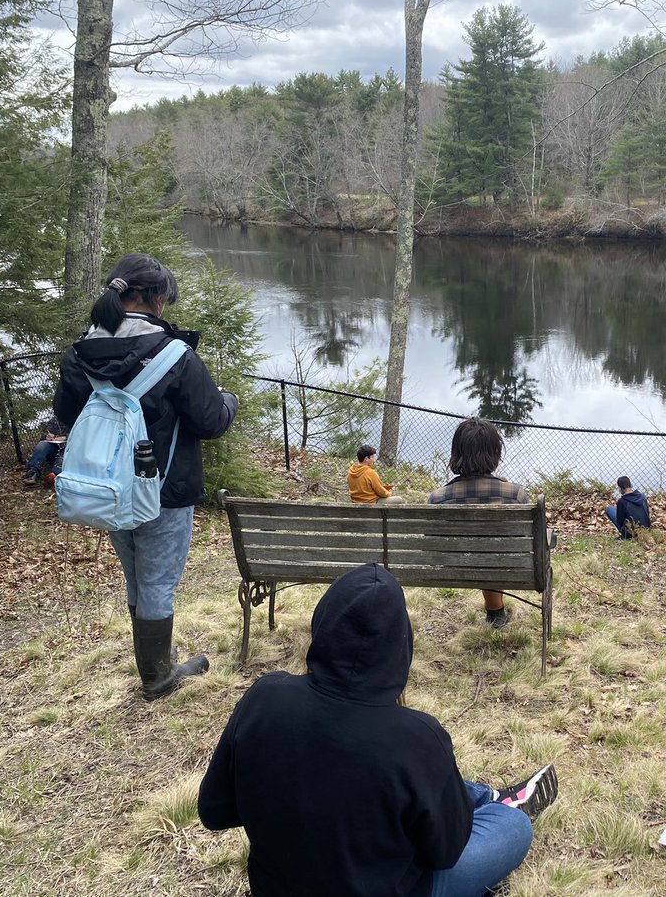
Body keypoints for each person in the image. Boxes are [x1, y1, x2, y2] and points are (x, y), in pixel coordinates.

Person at [198, 563, 559, 897]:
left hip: (277, 886)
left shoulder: (264, 697)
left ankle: (483, 796)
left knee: (404, 781)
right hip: (396, 887)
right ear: (402, 644)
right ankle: (499, 804)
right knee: (512, 827)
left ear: (321, 624)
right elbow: (446, 853)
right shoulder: (417, 737)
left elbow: (215, 811)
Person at [53, 253, 239, 700]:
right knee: (157, 582)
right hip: (164, 488)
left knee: (137, 577)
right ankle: (157, 675)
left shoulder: (81, 351)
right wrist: (228, 399)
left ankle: (155, 658)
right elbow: (210, 421)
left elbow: (65, 414)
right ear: (157, 298)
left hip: (108, 488)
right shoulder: (174, 355)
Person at [428, 418, 530, 628]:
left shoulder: (438, 498)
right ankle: (496, 613)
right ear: (495, 452)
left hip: (451, 568)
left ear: (457, 452)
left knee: (485, 554)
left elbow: (433, 541)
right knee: (492, 554)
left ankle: (496, 612)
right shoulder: (515, 495)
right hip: (508, 567)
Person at [22, 415, 68, 487]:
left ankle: (55, 475)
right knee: (42, 444)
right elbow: (44, 435)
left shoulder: (77, 419)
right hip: (54, 448)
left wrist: (65, 438)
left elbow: (80, 435)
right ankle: (32, 473)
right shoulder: (54, 420)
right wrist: (47, 437)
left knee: (64, 451)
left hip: (68, 449)